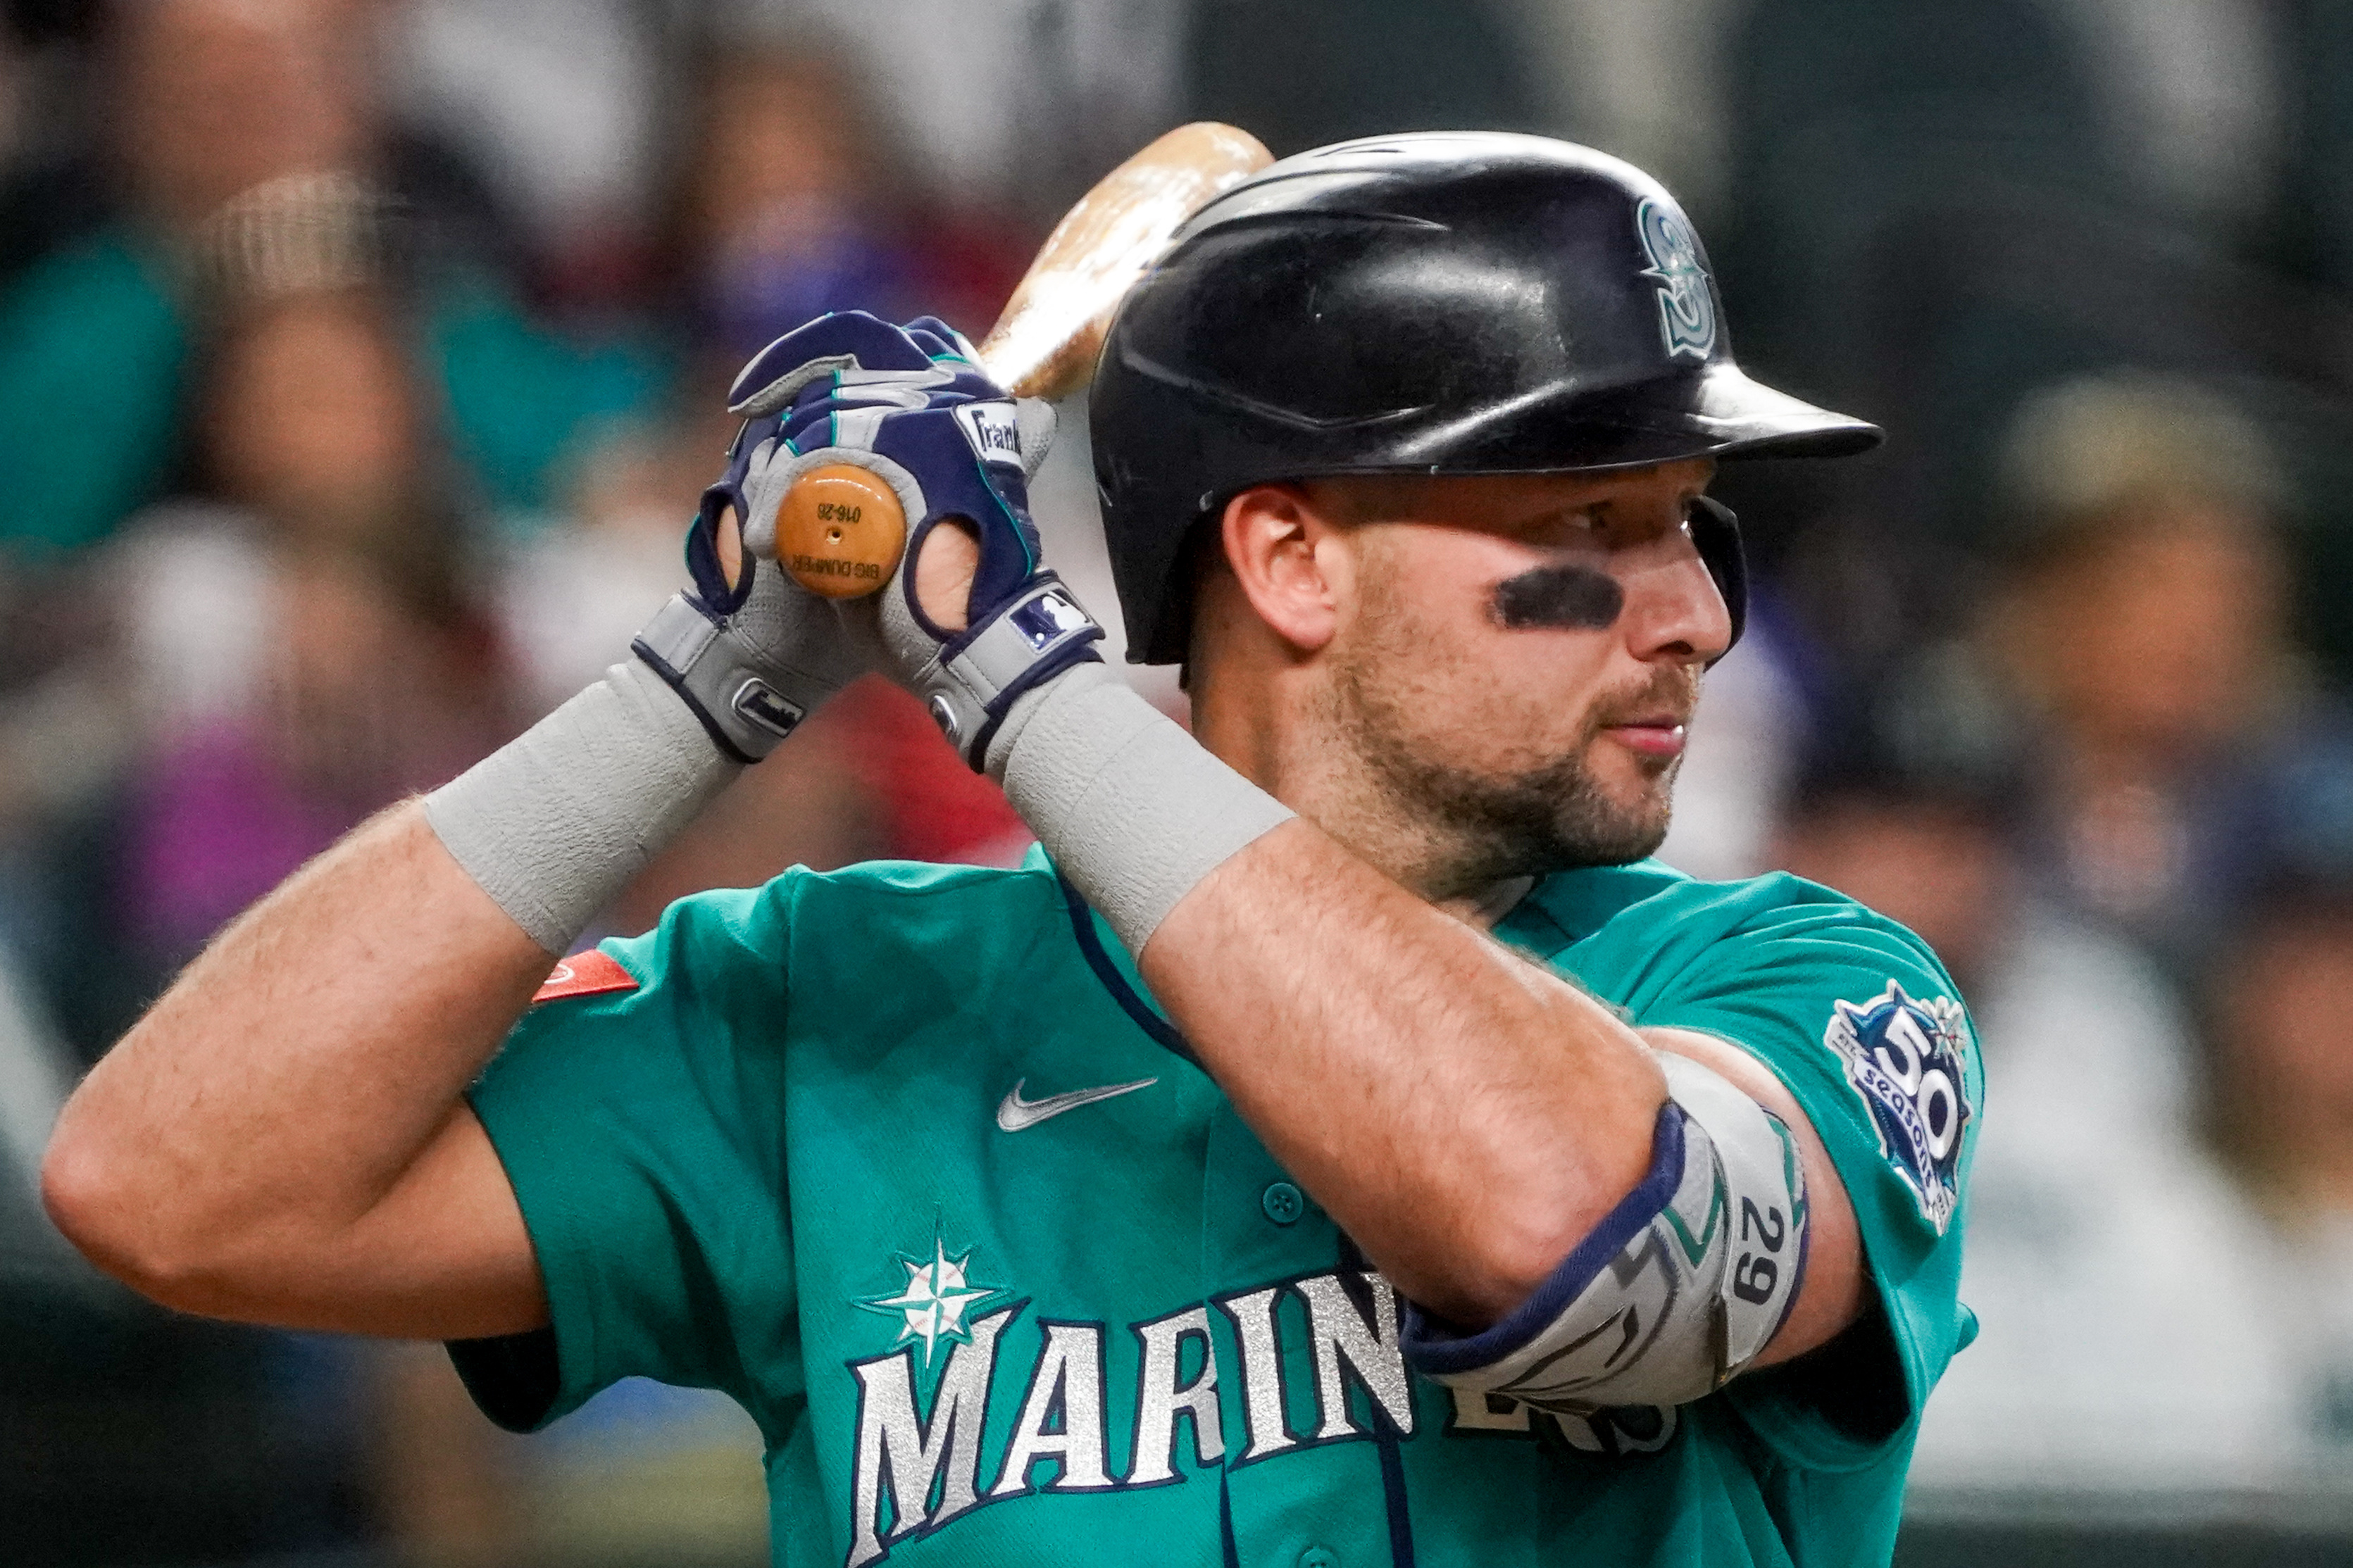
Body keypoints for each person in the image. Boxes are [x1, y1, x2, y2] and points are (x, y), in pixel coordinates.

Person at [44, 135, 1978, 1567]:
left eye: (1695, 527)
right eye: (1599, 525)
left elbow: (1567, 1224)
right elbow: (168, 1183)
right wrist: (705, 673)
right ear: (1290, 561)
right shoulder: (841, 1005)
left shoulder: (1810, 987)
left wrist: (1011, 673)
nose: (1696, 617)